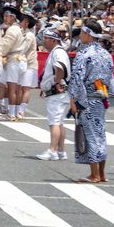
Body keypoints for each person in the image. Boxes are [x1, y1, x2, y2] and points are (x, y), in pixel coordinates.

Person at [70, 18, 114, 184]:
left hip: (87, 98)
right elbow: (110, 79)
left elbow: (77, 79)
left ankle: (94, 174)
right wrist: (107, 94)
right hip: (101, 97)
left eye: (82, 32)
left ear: (88, 34)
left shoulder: (84, 54)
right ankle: (101, 173)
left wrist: (73, 100)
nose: (80, 35)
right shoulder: (106, 54)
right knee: (100, 134)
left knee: (90, 135)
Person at [36, 26, 71, 161]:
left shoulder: (58, 52)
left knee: (54, 122)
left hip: (57, 92)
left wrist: (55, 83)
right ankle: (61, 151)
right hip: (58, 91)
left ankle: (52, 150)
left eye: (46, 39)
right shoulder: (58, 51)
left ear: (53, 40)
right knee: (59, 121)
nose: (44, 41)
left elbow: (59, 69)